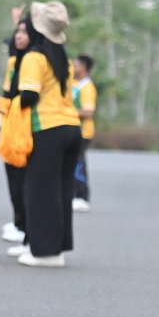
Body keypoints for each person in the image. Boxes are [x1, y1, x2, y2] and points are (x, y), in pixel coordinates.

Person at [9, 2, 81, 268]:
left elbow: (29, 95)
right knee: (61, 190)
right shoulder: (63, 60)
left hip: (48, 129)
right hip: (72, 127)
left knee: (40, 191)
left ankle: (45, 253)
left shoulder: (35, 58)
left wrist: (9, 107)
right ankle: (57, 249)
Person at [0, 8, 28, 246]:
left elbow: (17, 100)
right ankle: (20, 223)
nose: (16, 40)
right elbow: (8, 100)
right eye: (16, 33)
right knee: (14, 179)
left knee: (22, 180)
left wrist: (0, 102)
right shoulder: (14, 64)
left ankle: (23, 226)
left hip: (24, 131)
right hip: (12, 128)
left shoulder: (28, 63)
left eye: (23, 33)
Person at [71, 55, 97, 212]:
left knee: (79, 163)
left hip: (83, 132)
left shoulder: (87, 87)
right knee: (71, 162)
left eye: (76, 65)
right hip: (72, 130)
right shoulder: (75, 84)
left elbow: (88, 112)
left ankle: (82, 196)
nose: (73, 68)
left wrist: (67, 112)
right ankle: (73, 194)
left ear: (84, 67)